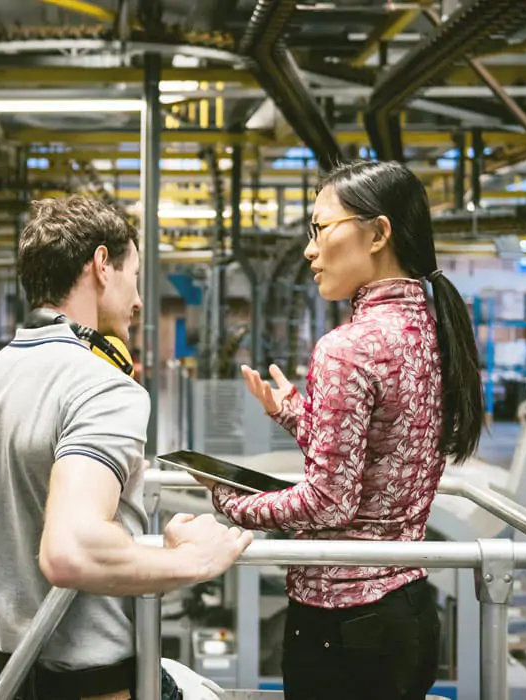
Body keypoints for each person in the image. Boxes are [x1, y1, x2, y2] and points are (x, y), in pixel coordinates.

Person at [197, 160, 484, 700]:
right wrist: (295, 414)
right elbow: (377, 462)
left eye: (320, 228)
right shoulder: (430, 330)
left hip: (342, 631)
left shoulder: (347, 346)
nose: (309, 249)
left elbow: (330, 501)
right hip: (406, 615)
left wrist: (231, 504)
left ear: (377, 233)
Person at [0, 195, 253, 700]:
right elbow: (71, 549)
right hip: (92, 684)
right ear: (100, 266)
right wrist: (196, 560)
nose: (138, 302)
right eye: (133, 276)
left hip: (4, 674)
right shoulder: (104, 387)